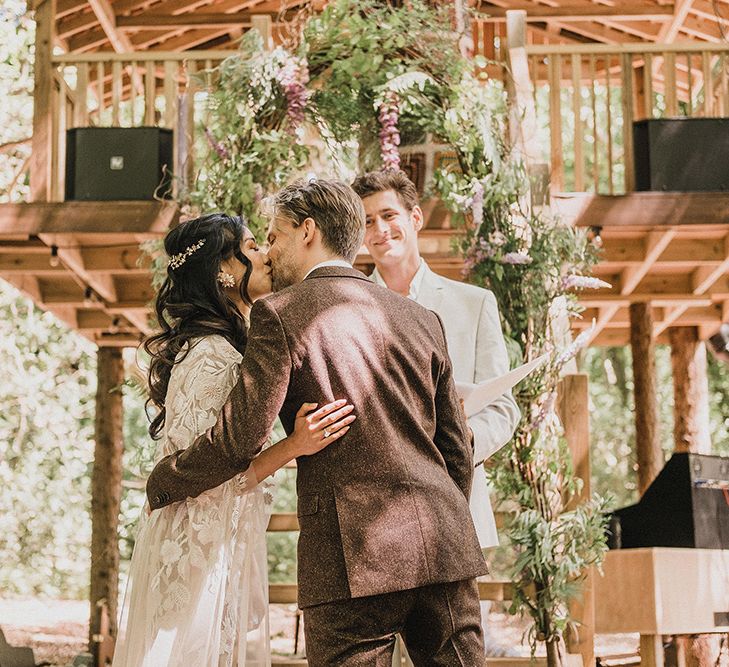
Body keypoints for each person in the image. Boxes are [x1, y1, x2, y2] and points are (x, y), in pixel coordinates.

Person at [146, 180, 488, 666]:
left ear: (307, 231)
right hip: (444, 550)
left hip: (349, 560)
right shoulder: (421, 318)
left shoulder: (279, 314)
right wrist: (446, 518)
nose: (268, 251)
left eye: (274, 235)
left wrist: (168, 479)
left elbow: (238, 436)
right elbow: (456, 448)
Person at [112, 213, 354, 667]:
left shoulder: (225, 347)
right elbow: (212, 472)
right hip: (195, 548)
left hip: (216, 539)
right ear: (223, 269)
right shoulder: (212, 356)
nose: (264, 253)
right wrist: (294, 445)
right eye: (251, 246)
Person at [352, 169, 521, 657]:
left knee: (454, 653)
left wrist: (464, 443)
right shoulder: (349, 305)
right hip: (374, 514)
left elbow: (503, 407)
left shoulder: (473, 304)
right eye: (368, 222)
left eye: (389, 216)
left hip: (455, 505)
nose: (381, 230)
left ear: (415, 218)